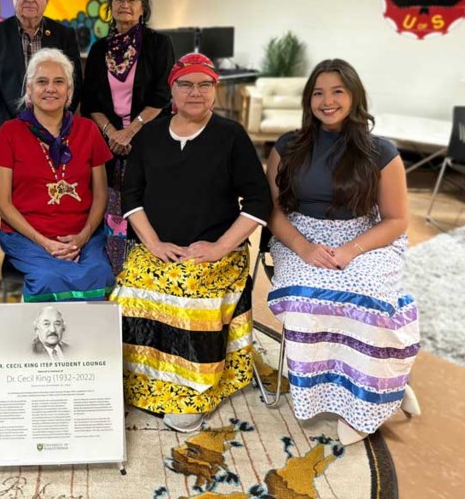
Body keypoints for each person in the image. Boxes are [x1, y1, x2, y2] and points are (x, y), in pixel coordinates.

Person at [110, 53, 272, 433]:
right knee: (132, 288)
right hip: (156, 245)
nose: (194, 92)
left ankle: (190, 392)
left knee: (189, 290)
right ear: (172, 90)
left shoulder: (231, 137)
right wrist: (151, 243)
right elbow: (130, 196)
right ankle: (139, 381)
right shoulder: (149, 135)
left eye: (204, 84)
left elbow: (259, 202)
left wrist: (219, 248)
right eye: (186, 84)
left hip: (216, 251)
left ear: (215, 90)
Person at [265, 59, 421, 446]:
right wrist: (302, 247)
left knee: (368, 299)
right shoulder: (287, 146)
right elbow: (270, 209)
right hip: (298, 236)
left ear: (354, 96)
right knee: (306, 299)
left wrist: (351, 251)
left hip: (363, 237)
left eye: (337, 91)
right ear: (308, 100)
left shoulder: (380, 151)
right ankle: (334, 391)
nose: (327, 100)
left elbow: (397, 219)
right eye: (318, 92)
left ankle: (372, 396)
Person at [0, 47, 115, 302]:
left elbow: (101, 194)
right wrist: (45, 243)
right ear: (29, 90)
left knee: (100, 274)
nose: (50, 89)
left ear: (69, 92)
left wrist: (83, 236)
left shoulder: (88, 130)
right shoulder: (9, 133)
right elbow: (2, 204)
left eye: (59, 82)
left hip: (83, 233)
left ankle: (91, 343)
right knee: (50, 278)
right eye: (42, 82)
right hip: (26, 235)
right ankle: (46, 340)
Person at [82, 0, 174, 274]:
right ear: (110, 7)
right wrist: (112, 133)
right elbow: (92, 103)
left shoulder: (159, 44)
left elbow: (162, 95)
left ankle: (146, 263)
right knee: (109, 204)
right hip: (107, 140)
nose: (124, 5)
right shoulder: (99, 50)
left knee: (146, 200)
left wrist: (130, 131)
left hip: (147, 136)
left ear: (142, 8)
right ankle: (114, 265)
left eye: (131, 0)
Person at [0, 0, 82, 150]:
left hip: (56, 138)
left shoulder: (65, 35)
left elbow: (74, 85)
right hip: (7, 136)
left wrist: (54, 127)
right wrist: (14, 131)